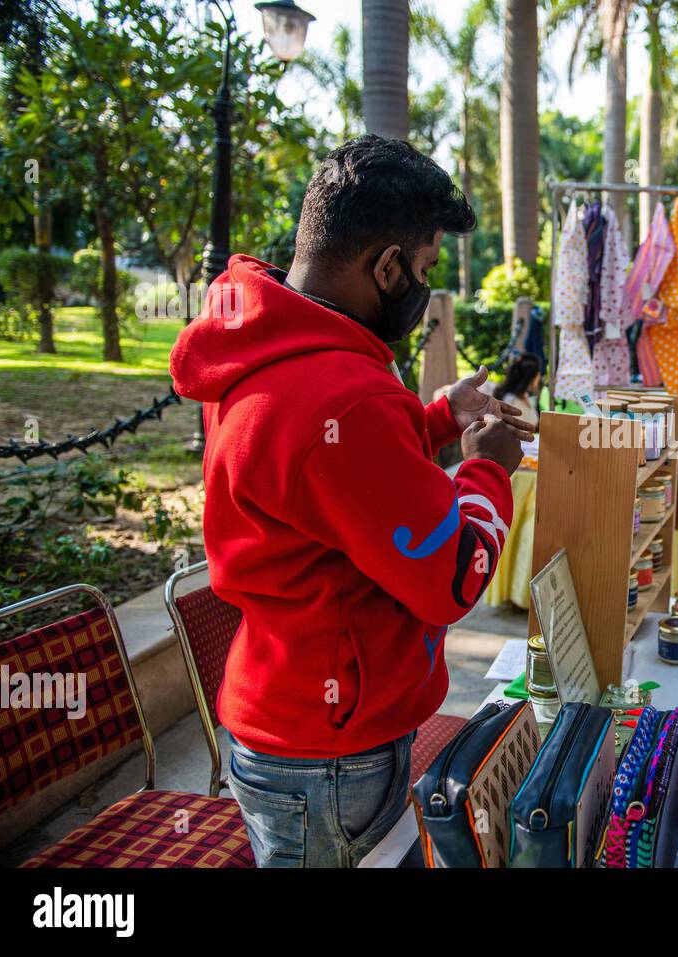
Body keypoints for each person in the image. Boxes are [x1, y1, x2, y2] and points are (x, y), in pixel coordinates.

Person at [170, 135, 536, 867]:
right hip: (334, 748)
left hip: (282, 716)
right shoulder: (345, 394)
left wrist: (434, 418)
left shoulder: (261, 348)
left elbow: (323, 485)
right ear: (387, 265)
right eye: (425, 269)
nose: (423, 289)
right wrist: (490, 468)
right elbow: (450, 576)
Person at [492, 352, 542, 426]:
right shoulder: (512, 401)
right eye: (538, 374)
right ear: (531, 378)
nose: (539, 377)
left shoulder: (525, 396)